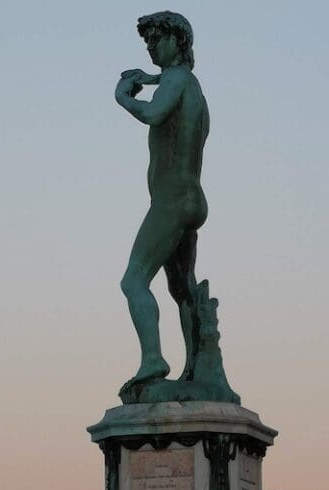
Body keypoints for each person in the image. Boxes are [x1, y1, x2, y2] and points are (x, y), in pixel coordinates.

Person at [115, 11, 210, 385]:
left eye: (158, 38)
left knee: (134, 279)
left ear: (179, 41)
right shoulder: (190, 86)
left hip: (170, 200)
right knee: (182, 287)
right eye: (148, 41)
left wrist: (124, 98)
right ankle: (196, 369)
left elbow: (154, 114)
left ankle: (152, 360)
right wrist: (149, 79)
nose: (152, 46)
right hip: (191, 198)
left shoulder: (178, 78)